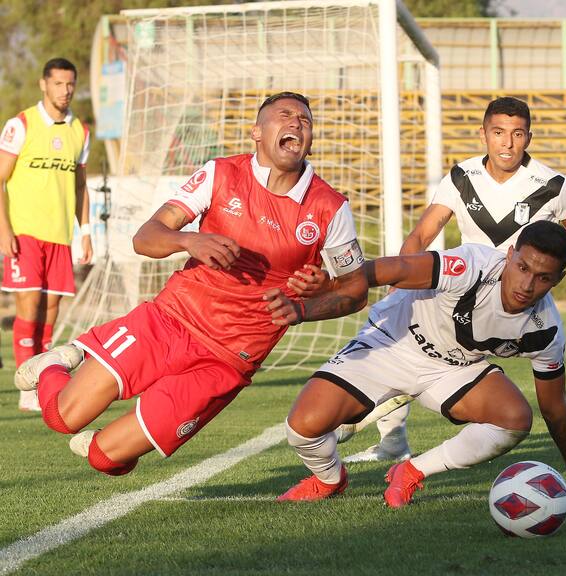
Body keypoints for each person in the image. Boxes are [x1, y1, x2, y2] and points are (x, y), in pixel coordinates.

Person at [14, 92, 369, 476]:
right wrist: (188, 240)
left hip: (225, 361)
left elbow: (354, 291)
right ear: (256, 132)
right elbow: (145, 237)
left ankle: (118, 437)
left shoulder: (330, 207)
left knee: (106, 458)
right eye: (285, 115)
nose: (296, 123)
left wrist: (305, 307)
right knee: (62, 418)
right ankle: (55, 363)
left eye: (305, 120)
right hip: (169, 321)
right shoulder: (221, 174)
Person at [340, 96, 566, 462]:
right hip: (462, 291)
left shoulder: (554, 186)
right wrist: (399, 285)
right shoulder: (462, 177)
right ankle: (392, 438)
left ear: (529, 137)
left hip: (516, 307)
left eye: (517, 134)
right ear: (483, 134)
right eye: (498, 132)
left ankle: (388, 410)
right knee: (397, 322)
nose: (507, 143)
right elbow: (422, 234)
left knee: (446, 363)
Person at [277, 221, 566, 507]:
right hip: (391, 342)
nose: (527, 285)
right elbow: (401, 268)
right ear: (510, 255)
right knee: (302, 428)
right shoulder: (474, 265)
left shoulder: (545, 330)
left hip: (454, 369)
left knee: (514, 419)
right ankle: (329, 479)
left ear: (558, 279)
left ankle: (411, 471)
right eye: (523, 268)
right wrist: (336, 283)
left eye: (543, 278)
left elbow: (554, 409)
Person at [0, 58, 93, 412]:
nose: (64, 91)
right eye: (57, 83)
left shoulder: (80, 131)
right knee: (29, 305)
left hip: (59, 236)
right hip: (25, 232)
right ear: (43, 84)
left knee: (51, 311)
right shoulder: (21, 124)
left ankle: (41, 381)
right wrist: (4, 229)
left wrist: (85, 231)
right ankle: (27, 389)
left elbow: (80, 185)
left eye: (70, 84)